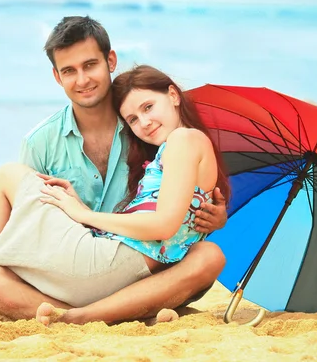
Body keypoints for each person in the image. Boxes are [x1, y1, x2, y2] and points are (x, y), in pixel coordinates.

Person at [0, 16, 227, 328]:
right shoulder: (42, 142)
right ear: (57, 78)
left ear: (110, 61)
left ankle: (74, 315)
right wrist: (76, 216)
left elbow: (177, 213)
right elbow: (29, 231)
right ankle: (118, 314)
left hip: (148, 267)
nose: (83, 80)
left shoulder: (148, 126)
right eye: (69, 71)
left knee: (208, 255)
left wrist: (215, 217)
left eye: (90, 65)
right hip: (88, 260)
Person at [33, 65, 230, 325]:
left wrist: (86, 215)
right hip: (128, 261)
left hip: (131, 262)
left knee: (9, 178)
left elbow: (164, 225)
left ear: (173, 95)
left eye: (148, 107)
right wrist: (82, 209)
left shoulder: (184, 139)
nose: (144, 123)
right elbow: (157, 217)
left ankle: (80, 317)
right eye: (133, 119)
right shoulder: (163, 153)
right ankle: (122, 314)